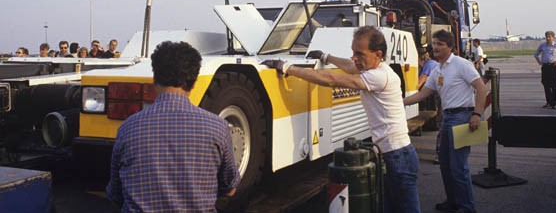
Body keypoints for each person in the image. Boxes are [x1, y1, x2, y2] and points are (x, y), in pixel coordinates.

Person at [262, 26, 420, 213]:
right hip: (391, 154)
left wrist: (288, 67)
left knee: (406, 209)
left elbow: (331, 79)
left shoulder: (380, 76)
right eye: (353, 52)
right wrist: (326, 56)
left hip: (398, 156)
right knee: (390, 207)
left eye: (359, 53)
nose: (354, 57)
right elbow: (347, 66)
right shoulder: (372, 67)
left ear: (378, 54)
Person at [106, 41, 240, 212]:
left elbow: (115, 195)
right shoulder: (218, 127)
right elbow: (230, 189)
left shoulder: (127, 128)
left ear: (155, 79)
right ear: (194, 82)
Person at [404, 30, 487, 213]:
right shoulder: (437, 69)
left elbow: (481, 88)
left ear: (450, 47)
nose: (436, 47)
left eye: (440, 44)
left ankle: (467, 207)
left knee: (459, 167)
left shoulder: (461, 64)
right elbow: (423, 93)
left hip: (462, 117)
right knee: (446, 164)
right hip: (447, 118)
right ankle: (453, 202)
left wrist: (476, 115)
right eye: (434, 43)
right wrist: (400, 102)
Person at [534, 31, 556, 109]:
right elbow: (536, 54)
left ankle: (553, 103)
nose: (548, 38)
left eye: (549, 37)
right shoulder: (542, 45)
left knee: (554, 85)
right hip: (546, 67)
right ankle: (548, 102)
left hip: (554, 67)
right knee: (546, 85)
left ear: (553, 37)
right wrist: (540, 62)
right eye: (546, 37)